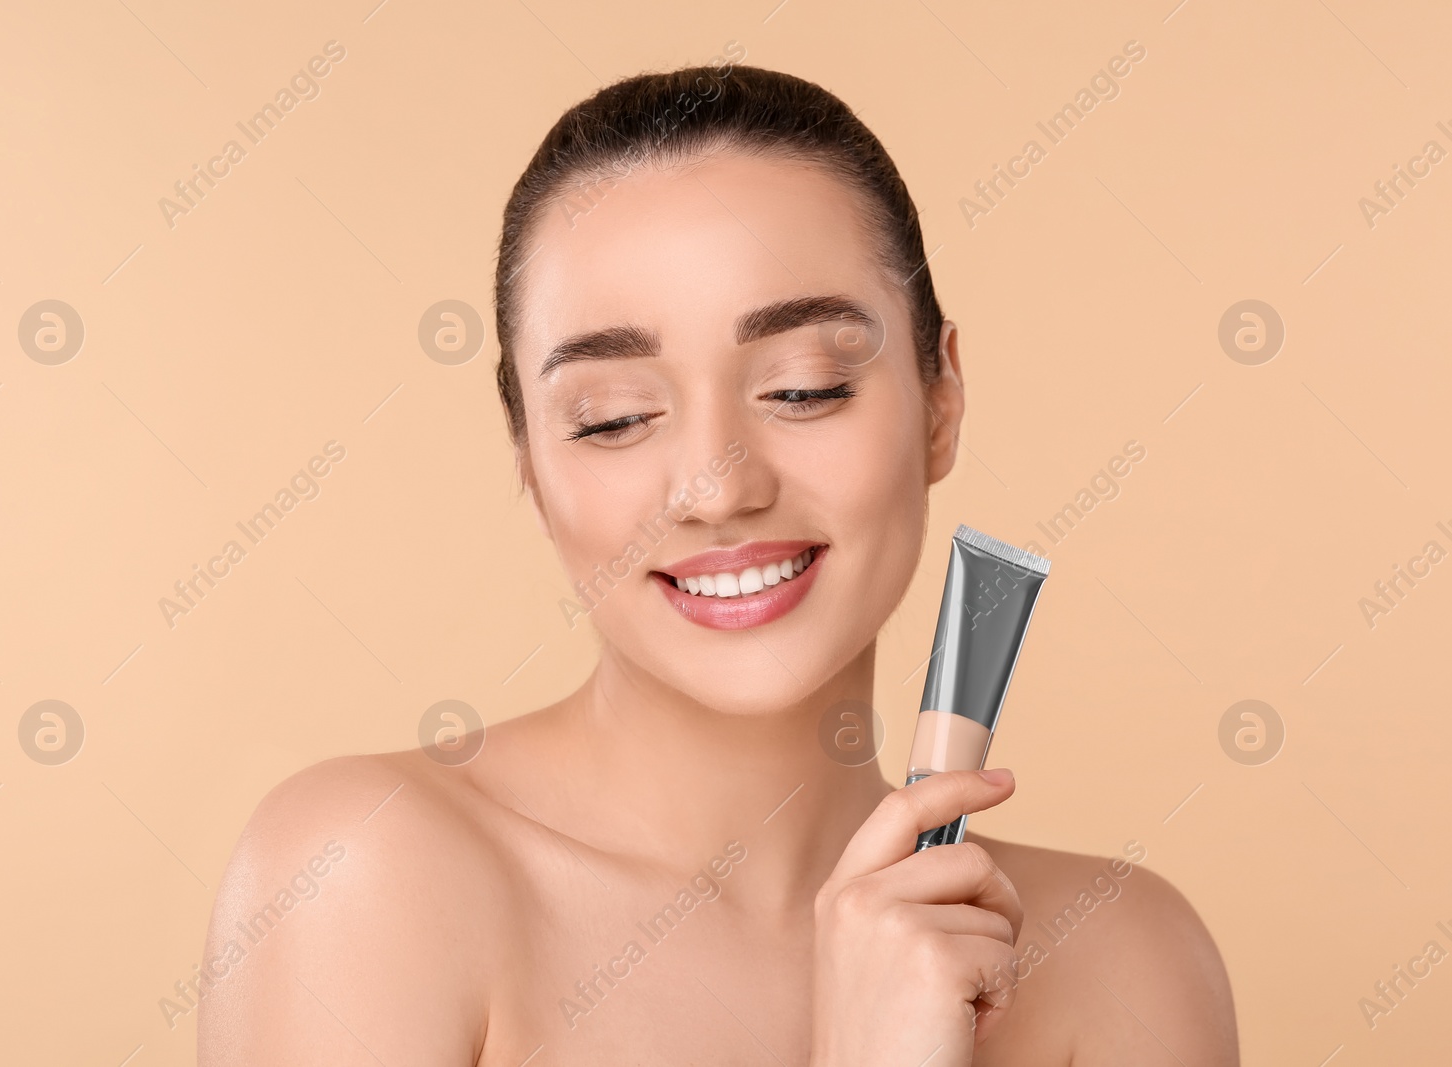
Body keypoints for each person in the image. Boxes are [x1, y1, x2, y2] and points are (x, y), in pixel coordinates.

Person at [198, 62, 1238, 1065]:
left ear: (941, 402)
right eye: (613, 416)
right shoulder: (364, 876)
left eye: (801, 388)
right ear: (527, 455)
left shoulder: (1116, 960)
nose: (716, 486)